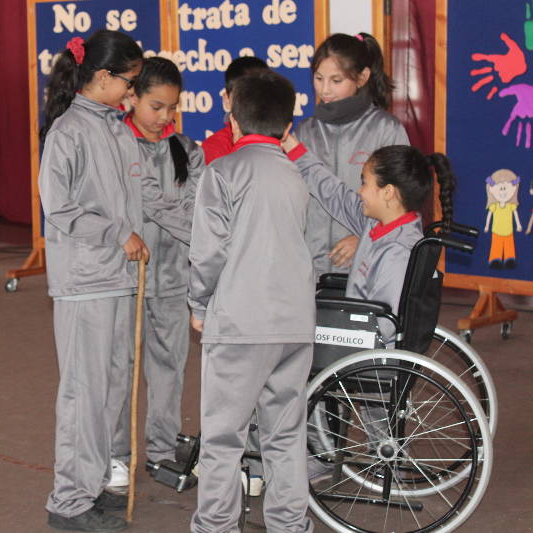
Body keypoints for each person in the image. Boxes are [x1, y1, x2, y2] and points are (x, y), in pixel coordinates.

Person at [188, 70, 315, 533]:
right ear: (286, 127)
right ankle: (289, 524)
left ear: (233, 121)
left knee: (223, 438)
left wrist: (199, 307)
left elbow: (207, 253)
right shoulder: (296, 175)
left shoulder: (221, 172)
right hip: (294, 323)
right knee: (285, 435)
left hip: (240, 325)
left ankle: (217, 526)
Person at [38, 29, 146, 533]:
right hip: (85, 280)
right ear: (101, 77)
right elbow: (58, 207)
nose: (132, 91)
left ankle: (93, 482)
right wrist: (116, 233)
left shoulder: (118, 128)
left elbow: (139, 197)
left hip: (118, 278)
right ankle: (69, 501)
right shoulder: (68, 131)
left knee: (110, 390)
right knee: (83, 393)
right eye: (129, 82)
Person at [282, 138, 456, 346]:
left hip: (369, 350)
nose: (360, 191)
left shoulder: (398, 252)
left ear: (388, 192)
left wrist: (332, 321)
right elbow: (335, 194)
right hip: (360, 330)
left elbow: (384, 326)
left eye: (364, 183)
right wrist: (292, 146)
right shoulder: (375, 224)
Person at [118, 57, 204, 472]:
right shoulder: (115, 144)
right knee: (120, 371)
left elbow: (197, 210)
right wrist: (197, 227)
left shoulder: (188, 150)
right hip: (124, 280)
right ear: (131, 96)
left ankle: (163, 450)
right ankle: (116, 454)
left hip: (172, 280)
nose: (164, 116)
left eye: (172, 107)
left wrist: (202, 232)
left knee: (169, 368)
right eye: (156, 106)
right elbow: (149, 202)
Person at [294, 32, 410, 277]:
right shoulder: (304, 132)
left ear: (362, 77)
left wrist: (365, 239)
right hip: (308, 268)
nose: (325, 89)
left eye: (336, 80)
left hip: (364, 266)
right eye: (318, 78)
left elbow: (402, 203)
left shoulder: (386, 129)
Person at [201, 56, 269, 164]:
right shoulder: (213, 148)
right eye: (242, 97)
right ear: (227, 100)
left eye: (258, 96)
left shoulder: (279, 141)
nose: (251, 105)